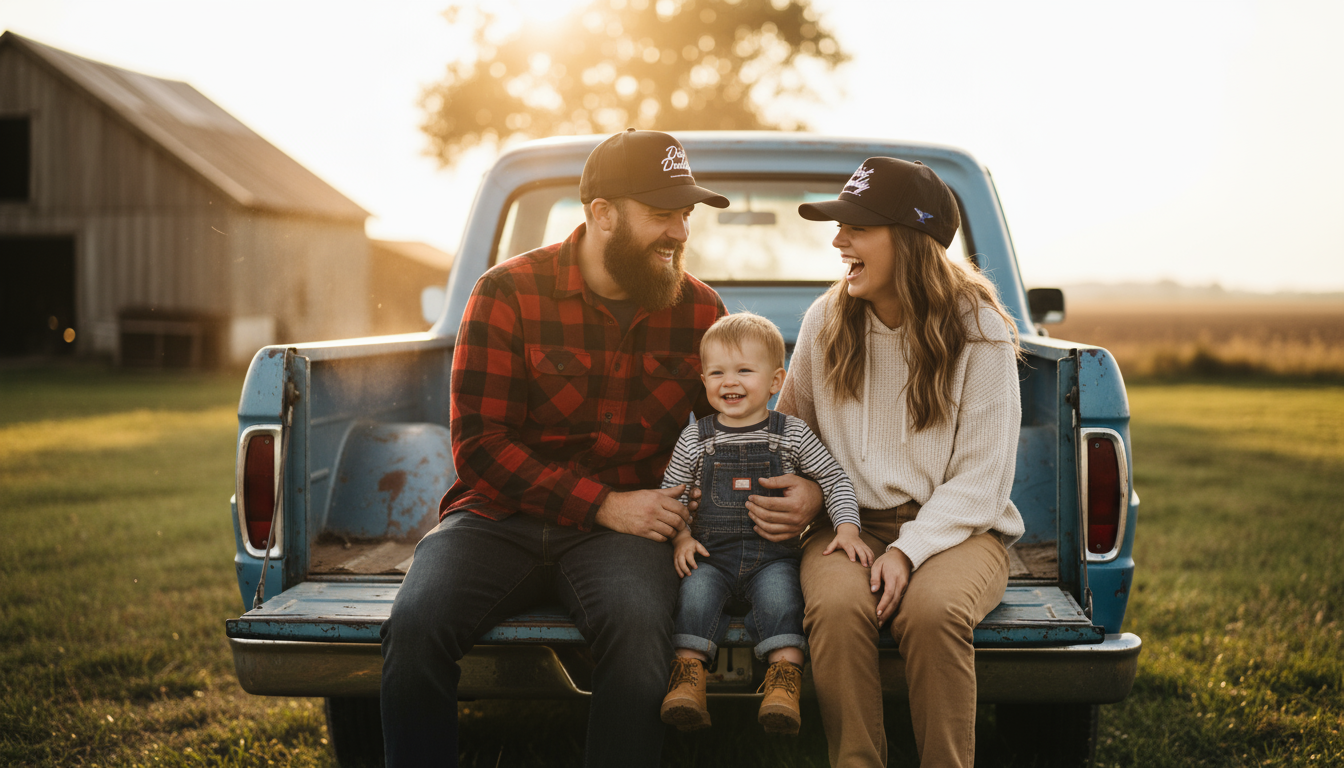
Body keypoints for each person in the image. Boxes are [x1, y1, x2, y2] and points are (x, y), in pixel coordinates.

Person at [379, 129, 731, 768]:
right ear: (601, 214)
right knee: (417, 622)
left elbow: (720, 438)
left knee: (639, 628)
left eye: (686, 214)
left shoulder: (701, 311)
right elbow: (480, 449)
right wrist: (605, 504)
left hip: (624, 538)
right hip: (495, 519)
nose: (681, 232)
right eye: (661, 214)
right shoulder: (506, 292)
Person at [756, 157, 1027, 767]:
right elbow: (793, 434)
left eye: (857, 227)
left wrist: (908, 550)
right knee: (837, 608)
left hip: (960, 531)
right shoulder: (826, 320)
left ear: (910, 241)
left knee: (932, 614)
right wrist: (805, 491)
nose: (837, 240)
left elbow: (982, 482)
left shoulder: (979, 328)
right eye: (838, 226)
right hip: (848, 524)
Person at [656, 312, 864, 736]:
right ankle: (688, 681)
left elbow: (834, 479)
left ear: (775, 381)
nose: (729, 382)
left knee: (783, 601)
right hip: (710, 556)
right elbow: (670, 494)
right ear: (704, 380)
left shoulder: (793, 434)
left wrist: (846, 527)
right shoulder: (695, 438)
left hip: (772, 558)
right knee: (693, 597)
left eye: (743, 371)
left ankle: (783, 686)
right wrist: (680, 538)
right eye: (717, 373)